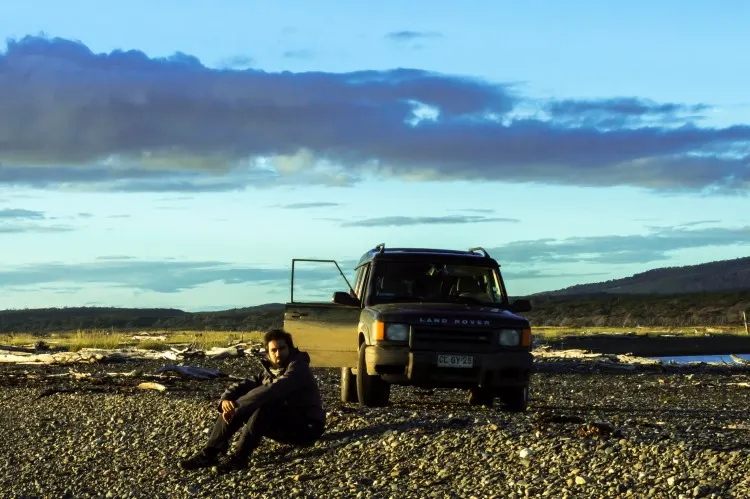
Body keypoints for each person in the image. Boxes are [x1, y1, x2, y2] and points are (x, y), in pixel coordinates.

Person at [179, 329, 326, 474]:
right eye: (273, 350)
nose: (278, 353)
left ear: (290, 348)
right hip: (286, 422)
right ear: (268, 354)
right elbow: (243, 385)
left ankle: (240, 457)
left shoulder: (298, 369)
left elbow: (272, 389)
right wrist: (226, 400)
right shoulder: (268, 371)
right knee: (236, 403)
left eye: (282, 348)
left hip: (307, 427)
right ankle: (210, 453)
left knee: (265, 403)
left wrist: (237, 406)